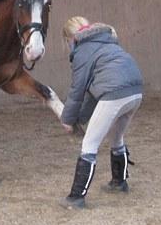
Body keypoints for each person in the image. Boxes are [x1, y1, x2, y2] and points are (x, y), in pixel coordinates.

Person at [59, 16, 144, 209]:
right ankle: (119, 182)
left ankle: (76, 197)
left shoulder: (82, 51)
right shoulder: (107, 42)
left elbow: (78, 90)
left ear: (70, 38)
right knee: (116, 137)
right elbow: (93, 91)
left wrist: (68, 120)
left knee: (89, 144)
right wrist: (79, 118)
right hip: (136, 92)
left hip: (114, 93)